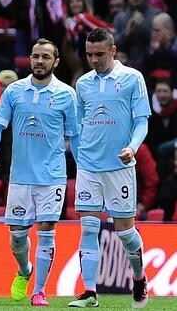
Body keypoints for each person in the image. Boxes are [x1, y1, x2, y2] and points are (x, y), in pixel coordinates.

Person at [0, 38, 79, 306]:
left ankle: (39, 290)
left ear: (56, 62)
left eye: (45, 57)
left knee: (47, 228)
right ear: (30, 59)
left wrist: (85, 168)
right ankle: (25, 270)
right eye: (36, 56)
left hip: (52, 175)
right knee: (17, 236)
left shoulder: (66, 94)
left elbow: (75, 135)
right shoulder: (15, 91)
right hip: (21, 176)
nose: (39, 61)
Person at [68, 28, 151, 308]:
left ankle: (138, 277)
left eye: (100, 54)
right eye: (90, 55)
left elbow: (142, 121)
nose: (94, 60)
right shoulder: (83, 84)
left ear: (112, 51)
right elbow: (78, 125)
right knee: (88, 228)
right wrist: (80, 157)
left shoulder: (132, 78)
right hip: (89, 166)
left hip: (119, 165)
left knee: (125, 233)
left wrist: (133, 147)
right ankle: (90, 293)